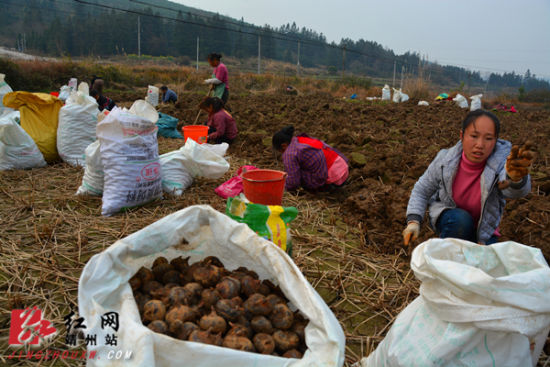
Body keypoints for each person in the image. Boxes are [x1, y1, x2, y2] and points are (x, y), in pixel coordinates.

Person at [403, 110, 536, 246]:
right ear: (462, 136)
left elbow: (513, 191)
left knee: (483, 263)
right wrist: (413, 221)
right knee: (460, 220)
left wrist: (515, 179)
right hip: (453, 220)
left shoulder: (502, 163)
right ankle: (449, 250)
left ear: (496, 141)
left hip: (484, 230)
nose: (480, 144)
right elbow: (422, 190)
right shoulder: (445, 160)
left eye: (488, 138)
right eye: (474, 136)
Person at [272, 126, 349, 192]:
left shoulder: (289, 153)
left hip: (333, 178)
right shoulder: (299, 139)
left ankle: (325, 188)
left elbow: (293, 182)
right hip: (342, 168)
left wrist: (283, 188)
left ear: (283, 146)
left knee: (295, 174)